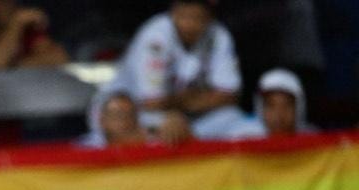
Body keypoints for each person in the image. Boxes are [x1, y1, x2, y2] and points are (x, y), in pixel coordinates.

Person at [107, 0, 244, 144]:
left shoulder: (218, 34)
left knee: (235, 120)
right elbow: (151, 103)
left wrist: (177, 103)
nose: (189, 25)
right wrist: (195, 98)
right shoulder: (156, 35)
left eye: (197, 17)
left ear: (209, 17)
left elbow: (230, 96)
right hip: (134, 113)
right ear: (173, 12)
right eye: (184, 15)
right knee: (163, 131)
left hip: (188, 116)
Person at [230, 68, 316, 139]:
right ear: (260, 108)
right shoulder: (243, 139)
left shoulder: (314, 141)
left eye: (287, 105)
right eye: (271, 106)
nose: (278, 115)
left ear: (299, 108)